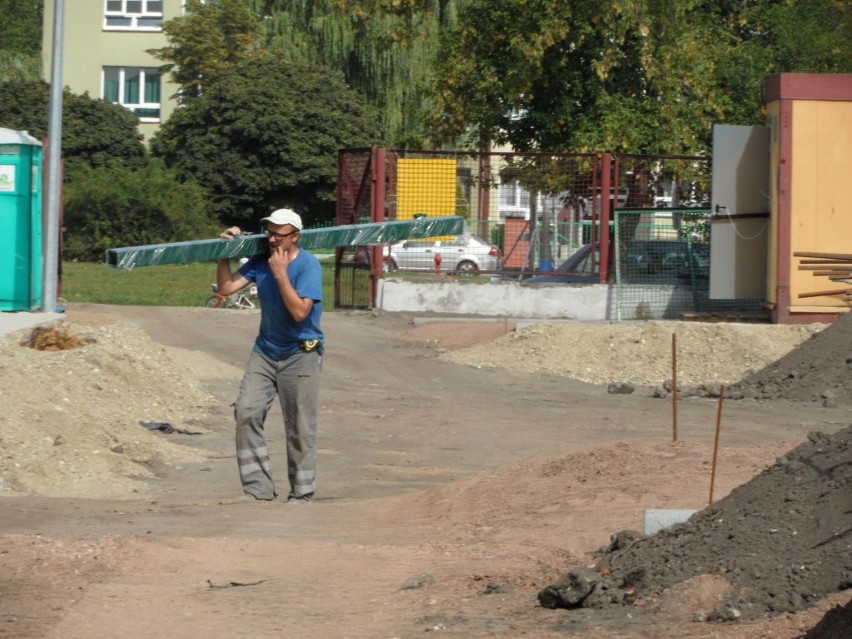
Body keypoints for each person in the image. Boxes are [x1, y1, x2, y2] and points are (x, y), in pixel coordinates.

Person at [217, 208, 324, 503]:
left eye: (281, 233)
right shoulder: (261, 261)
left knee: (299, 425)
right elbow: (227, 288)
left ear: (295, 236)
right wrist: (224, 253)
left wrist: (280, 275)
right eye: (270, 232)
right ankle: (258, 489)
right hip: (265, 350)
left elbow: (301, 312)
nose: (274, 239)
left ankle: (302, 494)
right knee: (246, 411)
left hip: (301, 353)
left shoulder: (308, 266)